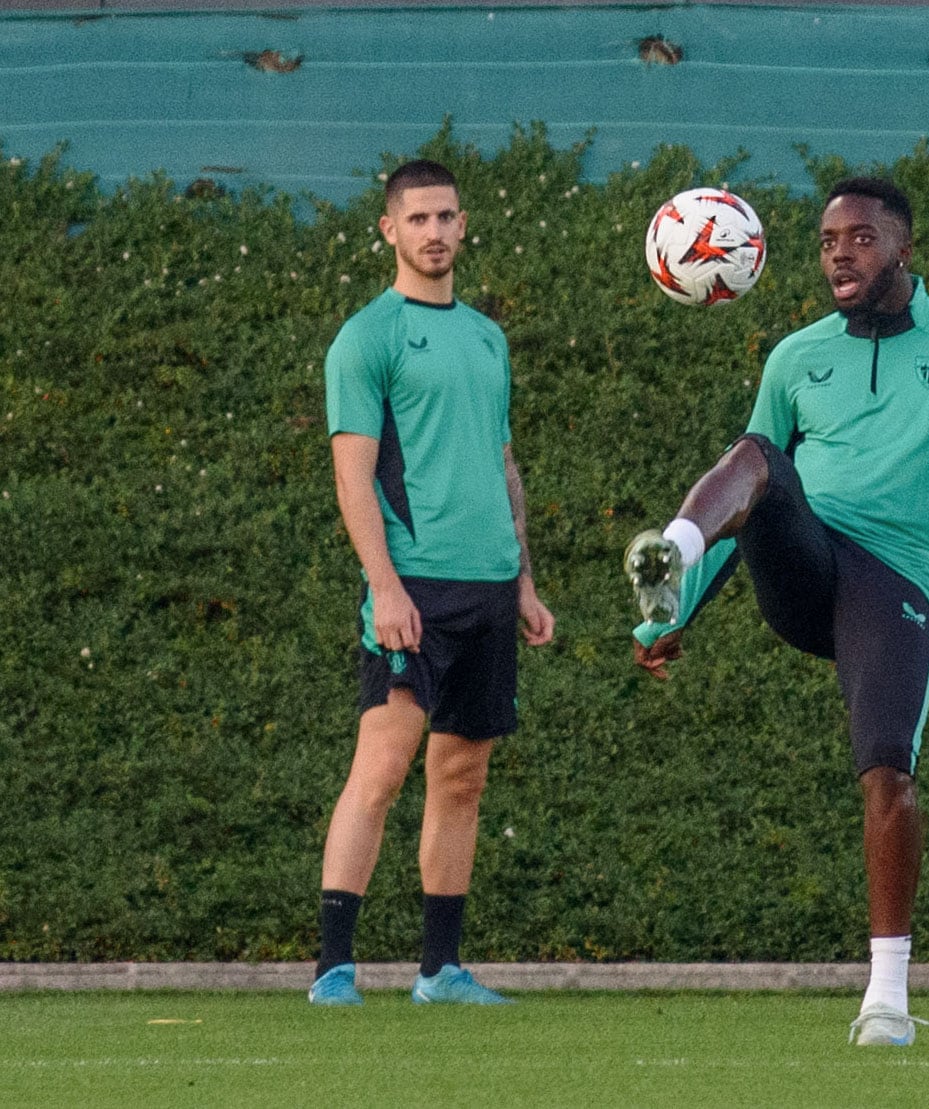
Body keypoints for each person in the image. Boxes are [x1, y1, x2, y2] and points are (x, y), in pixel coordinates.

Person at [624, 178, 929, 1045]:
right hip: (805, 565)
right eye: (828, 238)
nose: (838, 251)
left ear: (903, 249)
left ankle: (887, 997)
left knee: (887, 773)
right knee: (757, 451)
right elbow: (751, 490)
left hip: (894, 579)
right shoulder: (796, 357)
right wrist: (673, 609)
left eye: (860, 238)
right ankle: (671, 552)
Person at [310, 159, 556, 1006]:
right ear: (390, 230)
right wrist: (384, 585)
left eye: (447, 217)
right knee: (379, 770)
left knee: (462, 780)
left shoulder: (487, 338)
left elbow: (502, 462)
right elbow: (353, 477)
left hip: (488, 586)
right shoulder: (366, 338)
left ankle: (438, 971)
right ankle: (333, 968)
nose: (436, 232)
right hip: (413, 587)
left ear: (462, 224)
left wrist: (524, 581)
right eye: (418, 219)